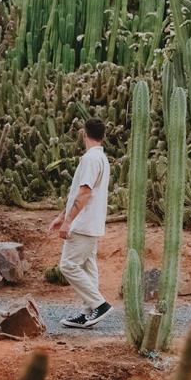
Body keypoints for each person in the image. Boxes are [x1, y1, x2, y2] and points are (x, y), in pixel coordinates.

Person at [48, 118, 113, 329]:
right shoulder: (100, 158)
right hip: (91, 224)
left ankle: (99, 305)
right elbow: (80, 192)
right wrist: (61, 216)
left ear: (84, 134)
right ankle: (89, 312)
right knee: (87, 265)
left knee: (68, 265)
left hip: (83, 224)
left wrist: (68, 222)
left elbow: (84, 193)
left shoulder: (90, 160)